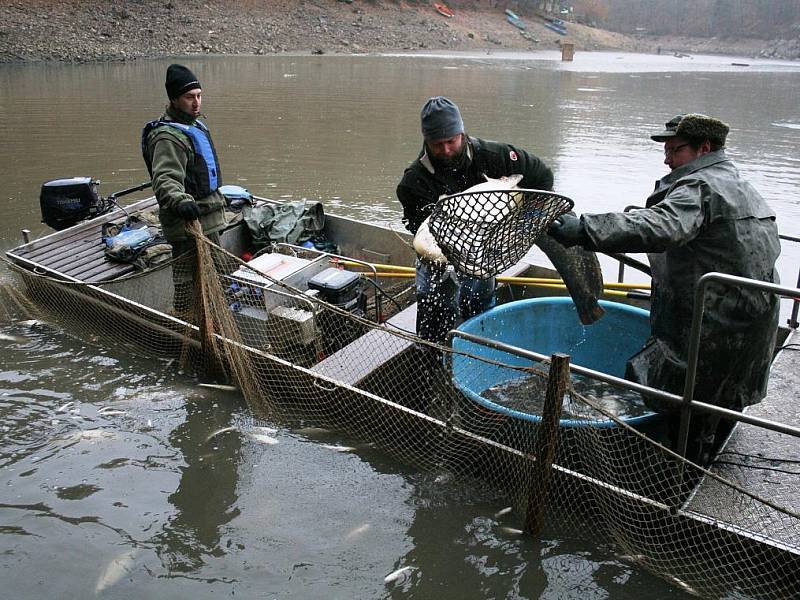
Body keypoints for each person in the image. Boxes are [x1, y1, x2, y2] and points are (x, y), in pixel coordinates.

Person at [548, 113, 781, 464]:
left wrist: (585, 228)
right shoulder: (738, 184)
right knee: (720, 401)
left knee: (684, 404)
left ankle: (678, 471)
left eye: (675, 150)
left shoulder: (701, 186)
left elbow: (664, 224)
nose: (667, 159)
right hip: (752, 321)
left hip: (713, 326)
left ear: (705, 148)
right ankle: (703, 452)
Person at [396, 96, 554, 343]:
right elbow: (419, 230)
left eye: (451, 141)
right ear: (426, 140)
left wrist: (523, 223)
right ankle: (432, 353)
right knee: (434, 314)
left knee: (480, 309)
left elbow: (543, 177)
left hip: (482, 253)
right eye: (438, 144)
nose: (446, 150)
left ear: (461, 132)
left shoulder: (494, 157)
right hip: (437, 259)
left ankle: (479, 348)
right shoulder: (412, 182)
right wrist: (448, 254)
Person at [142, 64, 227, 318]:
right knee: (186, 279)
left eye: (199, 95)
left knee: (217, 271)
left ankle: (213, 314)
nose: (196, 102)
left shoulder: (194, 127)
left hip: (207, 217)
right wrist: (180, 201)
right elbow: (165, 179)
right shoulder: (168, 137)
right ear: (174, 99)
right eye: (189, 97)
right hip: (186, 222)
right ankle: (184, 319)